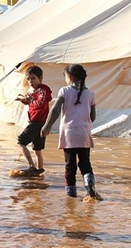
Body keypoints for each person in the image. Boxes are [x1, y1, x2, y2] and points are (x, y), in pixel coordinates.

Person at [41, 64, 97, 198]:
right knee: (85, 164)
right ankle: (90, 190)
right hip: (84, 133)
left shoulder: (64, 91)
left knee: (70, 166)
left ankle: (71, 197)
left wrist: (47, 126)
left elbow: (55, 110)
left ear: (70, 77)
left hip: (69, 134)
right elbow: (92, 117)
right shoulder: (90, 94)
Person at [15, 66, 52, 176]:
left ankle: (31, 166)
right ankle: (39, 170)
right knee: (37, 148)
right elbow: (31, 102)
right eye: (28, 79)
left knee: (21, 141)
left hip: (37, 121)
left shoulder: (43, 89)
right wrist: (25, 100)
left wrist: (30, 100)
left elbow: (39, 103)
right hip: (38, 121)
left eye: (33, 78)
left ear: (40, 78)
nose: (30, 81)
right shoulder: (34, 90)